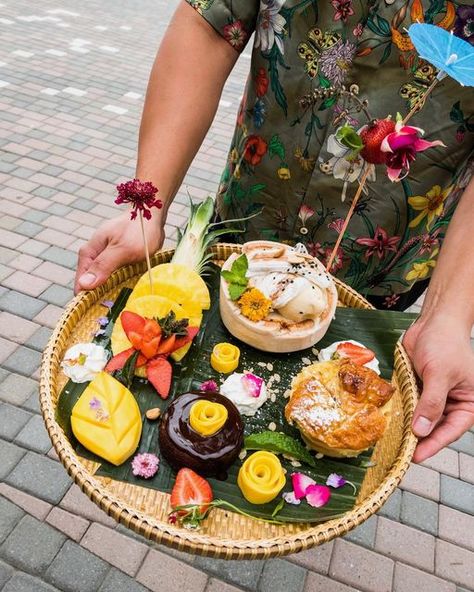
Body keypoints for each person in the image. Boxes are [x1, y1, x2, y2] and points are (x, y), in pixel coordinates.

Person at [74, 1, 474, 463]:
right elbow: (212, 21)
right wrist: (147, 203)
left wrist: (448, 316)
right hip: (247, 230)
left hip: (379, 267)